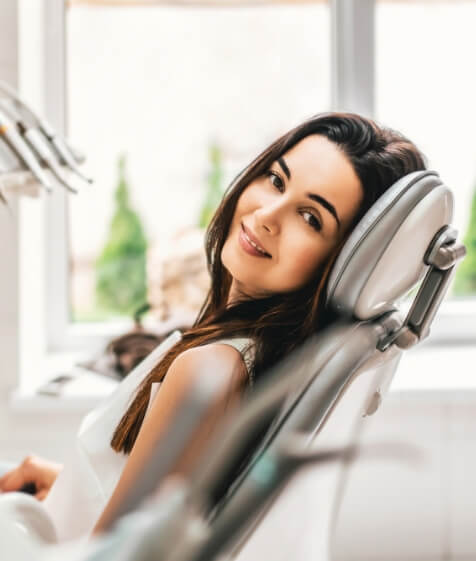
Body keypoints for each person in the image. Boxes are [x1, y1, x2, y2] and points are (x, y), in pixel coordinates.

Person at [0, 112, 426, 543]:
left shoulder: (212, 371)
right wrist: (68, 485)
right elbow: (173, 509)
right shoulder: (256, 357)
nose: (266, 215)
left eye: (311, 218)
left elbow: (111, 558)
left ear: (340, 262)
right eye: (277, 180)